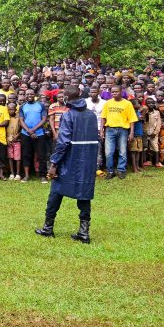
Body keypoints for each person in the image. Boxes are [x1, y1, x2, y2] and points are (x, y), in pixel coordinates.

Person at [36, 85, 98, 244]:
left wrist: (54, 163)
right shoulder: (91, 115)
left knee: (55, 192)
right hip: (87, 161)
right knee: (84, 194)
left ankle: (48, 228)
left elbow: (63, 143)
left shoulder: (68, 115)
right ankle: (84, 232)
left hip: (69, 160)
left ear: (66, 98)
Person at [100, 85, 137, 180]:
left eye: (116, 91)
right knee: (109, 152)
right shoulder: (108, 103)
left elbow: (132, 119)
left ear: (121, 92)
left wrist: (131, 132)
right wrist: (101, 131)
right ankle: (110, 171)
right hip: (109, 130)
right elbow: (103, 117)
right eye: (112, 92)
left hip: (123, 130)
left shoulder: (127, 104)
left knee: (122, 151)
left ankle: (121, 170)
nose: (114, 93)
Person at [18, 91, 48, 183]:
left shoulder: (41, 105)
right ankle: (26, 175)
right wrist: (29, 131)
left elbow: (44, 119)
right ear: (25, 96)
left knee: (41, 155)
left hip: (39, 134)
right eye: (27, 94)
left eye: (31, 94)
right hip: (25, 134)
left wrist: (33, 130)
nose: (29, 95)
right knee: (26, 154)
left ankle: (43, 176)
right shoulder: (22, 106)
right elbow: (21, 121)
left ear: (34, 95)